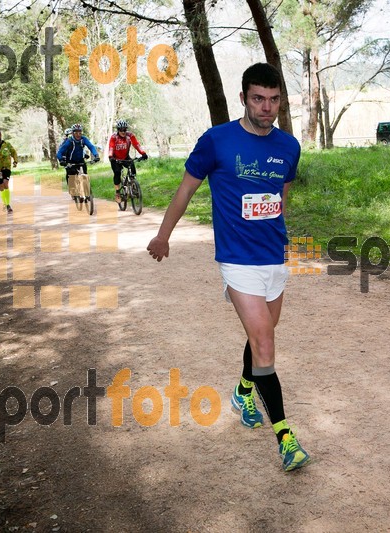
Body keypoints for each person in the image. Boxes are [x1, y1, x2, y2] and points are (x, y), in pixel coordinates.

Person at [146, 63, 308, 472]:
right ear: (243, 98)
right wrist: (163, 235)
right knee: (266, 347)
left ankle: (242, 391)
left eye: (273, 100)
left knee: (263, 335)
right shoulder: (217, 141)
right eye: (258, 98)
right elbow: (185, 190)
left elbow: (281, 198)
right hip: (237, 261)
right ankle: (286, 439)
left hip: (274, 257)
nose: (266, 107)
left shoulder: (289, 147)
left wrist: (282, 237)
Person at [108, 120, 147, 204]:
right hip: (115, 158)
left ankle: (133, 185)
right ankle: (118, 193)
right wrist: (110, 156)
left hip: (125, 157)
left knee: (132, 168)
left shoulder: (130, 136)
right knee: (117, 173)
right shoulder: (114, 137)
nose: (123, 132)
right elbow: (111, 147)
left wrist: (143, 153)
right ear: (118, 130)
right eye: (121, 130)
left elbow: (136, 144)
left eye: (124, 130)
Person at [56, 124, 100, 189]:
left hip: (80, 160)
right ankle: (73, 191)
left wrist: (96, 155)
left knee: (84, 174)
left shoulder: (84, 139)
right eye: (76, 132)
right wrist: (61, 160)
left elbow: (91, 146)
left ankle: (87, 192)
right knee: (71, 176)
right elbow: (59, 152)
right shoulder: (69, 141)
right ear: (72, 133)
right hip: (70, 161)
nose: (78, 134)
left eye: (80, 132)